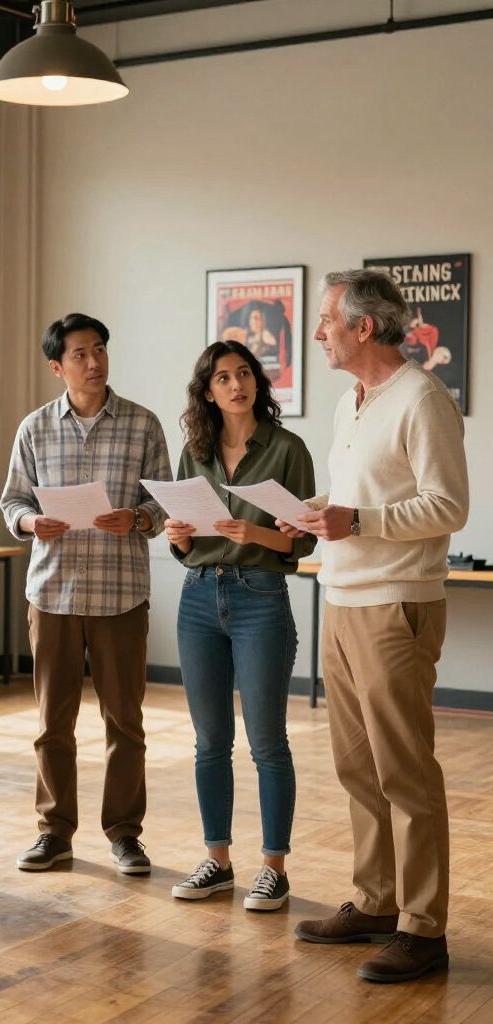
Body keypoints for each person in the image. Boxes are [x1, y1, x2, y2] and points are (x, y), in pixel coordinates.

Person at [280, 270, 468, 983]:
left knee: (404, 772)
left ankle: (424, 928)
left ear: (364, 328)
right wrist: (318, 508)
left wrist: (357, 520)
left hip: (395, 604)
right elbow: (360, 496)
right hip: (342, 595)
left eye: (327, 320)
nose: (318, 331)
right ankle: (377, 899)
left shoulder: (422, 397)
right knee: (358, 769)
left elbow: (448, 505)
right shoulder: (348, 402)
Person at [0, 313, 171, 875]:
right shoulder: (34, 428)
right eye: (79, 354)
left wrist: (139, 518)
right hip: (52, 593)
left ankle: (125, 834)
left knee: (125, 721)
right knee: (54, 723)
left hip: (121, 592)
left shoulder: (143, 424)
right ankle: (54, 832)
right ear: (57, 366)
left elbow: (164, 501)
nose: (94, 361)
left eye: (99, 349)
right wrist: (30, 525)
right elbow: (12, 502)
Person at [164, 341, 315, 911]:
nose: (236, 384)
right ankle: (218, 861)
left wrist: (255, 535)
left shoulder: (287, 448)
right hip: (199, 597)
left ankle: (274, 866)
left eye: (244, 374)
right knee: (209, 742)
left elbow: (302, 539)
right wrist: (179, 540)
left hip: (260, 598)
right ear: (207, 391)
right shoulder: (193, 452)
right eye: (223, 377)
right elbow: (186, 538)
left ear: (257, 383)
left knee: (267, 742)